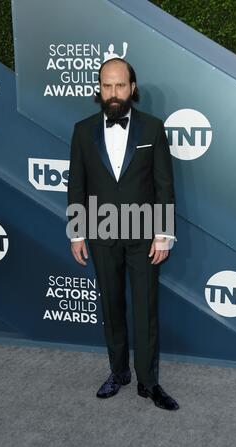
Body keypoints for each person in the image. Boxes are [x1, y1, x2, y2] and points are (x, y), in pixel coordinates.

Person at [67, 58, 179, 411]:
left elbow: (164, 184)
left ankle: (149, 381)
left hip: (145, 235)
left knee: (145, 310)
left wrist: (163, 234)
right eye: (106, 86)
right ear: (98, 90)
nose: (113, 93)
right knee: (111, 307)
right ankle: (118, 373)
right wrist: (76, 233)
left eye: (119, 85)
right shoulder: (83, 131)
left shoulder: (152, 128)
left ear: (132, 87)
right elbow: (76, 187)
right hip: (100, 233)